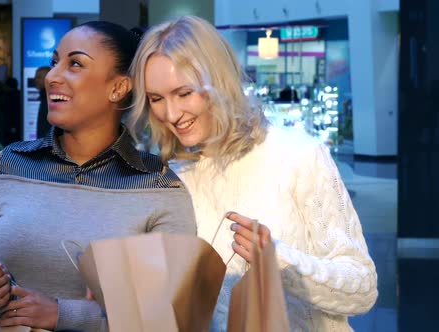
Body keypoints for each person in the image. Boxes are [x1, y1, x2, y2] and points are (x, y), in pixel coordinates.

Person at [128, 16, 377, 331]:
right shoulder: (172, 178)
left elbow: (362, 290)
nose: (172, 114)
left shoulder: (298, 155)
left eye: (184, 93)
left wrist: (278, 260)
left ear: (219, 82)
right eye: (156, 99)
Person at [0, 21, 196, 332]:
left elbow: (175, 312)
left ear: (118, 87)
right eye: (54, 63)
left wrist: (62, 314)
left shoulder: (159, 187)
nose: (52, 76)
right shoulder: (7, 166)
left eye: (74, 64)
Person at [35, 66, 51, 139]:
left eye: (39, 77)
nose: (36, 80)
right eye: (36, 77)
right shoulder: (44, 97)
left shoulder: (51, 99)